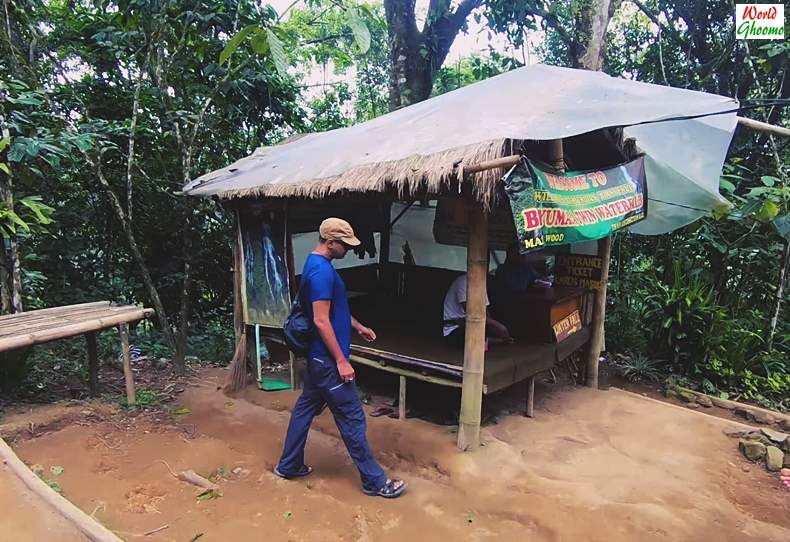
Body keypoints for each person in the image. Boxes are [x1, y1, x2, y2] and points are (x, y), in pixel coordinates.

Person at [274, 218, 406, 499]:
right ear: (330, 243)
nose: (347, 250)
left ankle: (288, 465)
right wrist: (341, 361)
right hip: (327, 361)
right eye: (344, 245)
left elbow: (332, 310)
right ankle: (375, 481)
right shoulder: (321, 273)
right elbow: (321, 321)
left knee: (304, 410)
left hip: (318, 360)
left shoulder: (315, 264)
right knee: (352, 418)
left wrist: (356, 326)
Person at [442, 273, 511, 347]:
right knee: (472, 336)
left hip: (475, 324)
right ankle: (499, 341)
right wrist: (498, 325)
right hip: (455, 328)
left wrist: (499, 330)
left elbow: (486, 313)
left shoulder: (481, 284)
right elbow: (471, 312)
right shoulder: (463, 282)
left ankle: (501, 340)